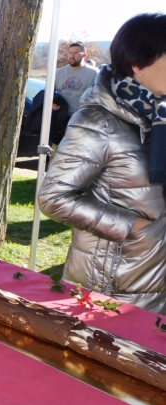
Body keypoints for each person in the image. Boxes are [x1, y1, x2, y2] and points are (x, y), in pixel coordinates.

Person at [39, 13, 166, 313]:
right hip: (113, 287)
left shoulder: (160, 115)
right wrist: (130, 226)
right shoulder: (99, 120)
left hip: (155, 276)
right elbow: (53, 198)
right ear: (138, 64)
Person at [53, 41, 99, 117]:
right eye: (70, 53)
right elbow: (48, 94)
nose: (72, 56)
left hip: (82, 118)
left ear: (84, 55)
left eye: (76, 53)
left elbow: (98, 98)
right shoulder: (58, 73)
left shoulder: (94, 74)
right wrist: (51, 103)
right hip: (59, 116)